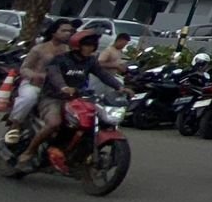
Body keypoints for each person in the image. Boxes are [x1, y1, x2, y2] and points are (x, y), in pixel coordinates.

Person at [16, 31, 128, 172]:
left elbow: (103, 75)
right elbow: (54, 75)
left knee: (91, 120)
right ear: (77, 46)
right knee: (54, 123)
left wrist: (120, 87)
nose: (90, 48)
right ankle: (29, 152)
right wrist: (63, 87)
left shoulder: (90, 61)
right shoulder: (60, 59)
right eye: (87, 45)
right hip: (53, 98)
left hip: (78, 98)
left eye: (93, 46)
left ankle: (74, 153)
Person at [5, 19, 74, 144]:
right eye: (63, 30)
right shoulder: (39, 49)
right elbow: (24, 68)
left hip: (57, 89)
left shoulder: (69, 52)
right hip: (34, 85)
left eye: (70, 31)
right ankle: (15, 124)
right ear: (53, 32)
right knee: (29, 98)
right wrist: (35, 75)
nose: (67, 33)